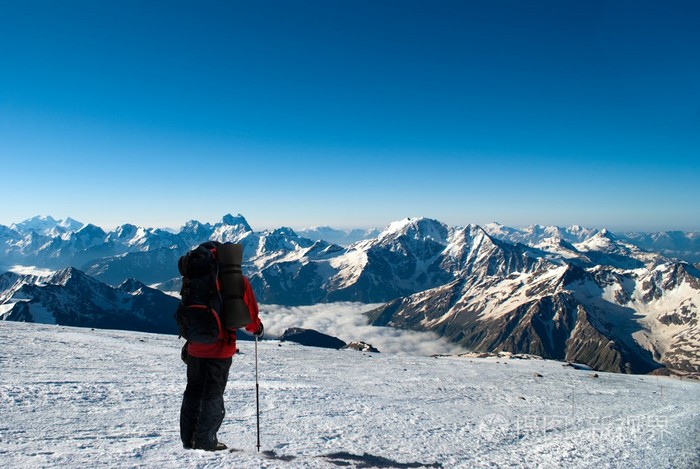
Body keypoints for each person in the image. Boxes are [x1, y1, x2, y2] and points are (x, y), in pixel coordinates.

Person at [179, 272, 264, 451]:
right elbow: (249, 313)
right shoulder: (236, 278)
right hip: (220, 348)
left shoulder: (193, 276)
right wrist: (257, 329)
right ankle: (205, 440)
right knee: (213, 393)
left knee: (193, 390)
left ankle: (188, 438)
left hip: (195, 346)